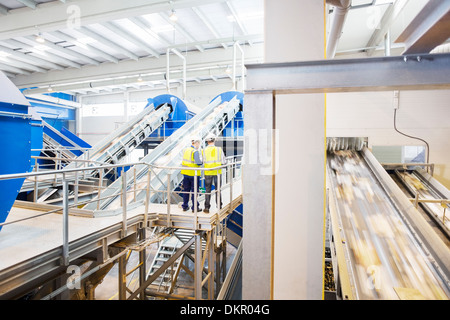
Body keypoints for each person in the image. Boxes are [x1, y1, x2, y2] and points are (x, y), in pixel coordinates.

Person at [203, 133, 227, 213]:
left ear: (207, 141)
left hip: (208, 173)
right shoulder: (219, 149)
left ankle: (206, 208)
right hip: (217, 172)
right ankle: (219, 206)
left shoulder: (204, 150)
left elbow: (202, 161)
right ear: (214, 140)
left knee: (207, 190)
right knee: (218, 189)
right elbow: (224, 162)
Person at [181, 136, 203, 212]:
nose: (199, 145)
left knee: (186, 191)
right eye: (199, 144)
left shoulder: (186, 150)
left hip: (185, 174)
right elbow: (198, 163)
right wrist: (202, 161)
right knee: (194, 192)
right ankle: (195, 208)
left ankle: (185, 206)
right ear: (196, 143)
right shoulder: (195, 151)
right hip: (194, 174)